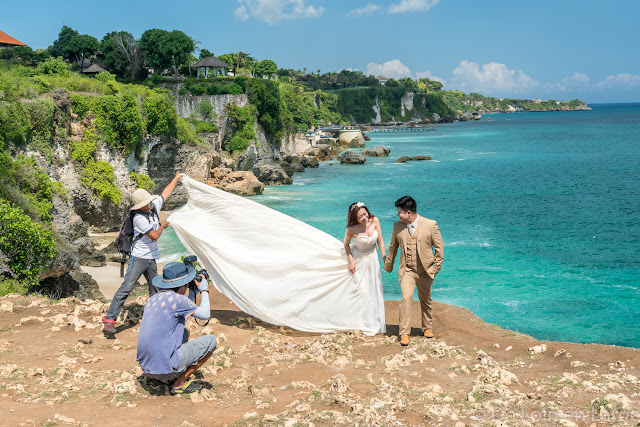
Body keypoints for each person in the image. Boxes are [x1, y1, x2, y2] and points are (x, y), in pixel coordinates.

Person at [102, 171, 183, 334]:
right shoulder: (138, 218)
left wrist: (176, 178)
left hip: (151, 258)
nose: (151, 202)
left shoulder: (152, 208)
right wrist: (163, 225)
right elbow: (154, 236)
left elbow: (165, 194)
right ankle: (110, 318)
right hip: (139, 257)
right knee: (127, 287)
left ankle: (155, 319)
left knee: (156, 288)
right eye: (148, 202)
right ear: (140, 206)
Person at [136, 261, 217, 395]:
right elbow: (205, 315)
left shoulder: (153, 299)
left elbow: (181, 318)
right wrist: (203, 290)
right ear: (182, 285)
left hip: (148, 368)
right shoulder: (179, 301)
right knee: (211, 341)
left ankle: (165, 377)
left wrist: (191, 293)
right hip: (165, 368)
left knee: (185, 331)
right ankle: (179, 383)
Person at [383, 196, 444, 346]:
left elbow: (439, 248)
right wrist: (388, 265)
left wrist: (435, 268)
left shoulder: (431, 225)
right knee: (406, 298)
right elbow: (393, 247)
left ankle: (427, 327)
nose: (398, 214)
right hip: (407, 270)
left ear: (408, 213)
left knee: (426, 300)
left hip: (425, 270)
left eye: (399, 212)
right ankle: (404, 333)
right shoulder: (397, 226)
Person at [342, 202, 387, 335]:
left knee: (374, 289)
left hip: (372, 260)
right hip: (359, 260)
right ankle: (360, 322)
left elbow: (380, 242)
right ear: (354, 218)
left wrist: (385, 259)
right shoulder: (351, 229)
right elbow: (345, 245)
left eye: (365, 213)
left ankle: (374, 320)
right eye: (360, 216)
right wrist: (351, 262)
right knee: (362, 291)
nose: (364, 217)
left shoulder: (375, 221)